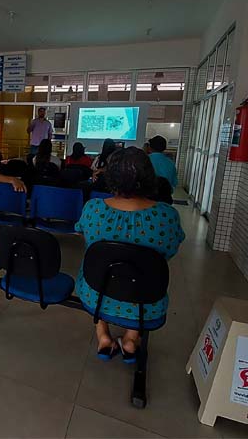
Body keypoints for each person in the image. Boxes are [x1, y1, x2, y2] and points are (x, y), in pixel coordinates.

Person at [75, 147, 185, 360]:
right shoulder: (167, 215)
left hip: (96, 294)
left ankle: (103, 335)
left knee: (100, 268)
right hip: (146, 302)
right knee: (141, 273)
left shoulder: (93, 208)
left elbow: (85, 237)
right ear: (149, 177)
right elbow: (168, 252)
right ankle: (131, 339)